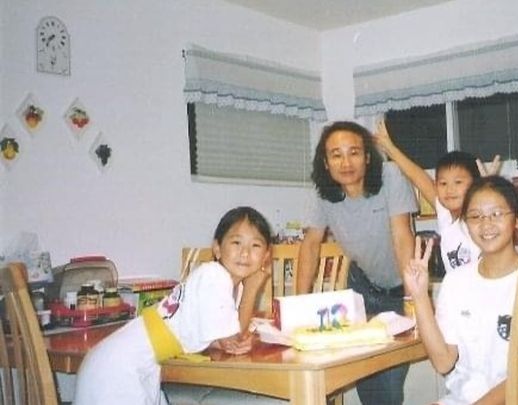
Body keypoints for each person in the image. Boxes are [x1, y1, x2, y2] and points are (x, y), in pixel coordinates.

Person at [74, 206, 273, 405]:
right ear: (217, 248)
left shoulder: (224, 283)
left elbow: (209, 335)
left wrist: (224, 340)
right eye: (236, 242)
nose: (245, 253)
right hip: (117, 370)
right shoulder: (215, 276)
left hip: (128, 364)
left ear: (266, 255)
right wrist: (252, 289)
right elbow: (234, 340)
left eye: (255, 245)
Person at [297, 120, 417, 405]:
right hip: (360, 289)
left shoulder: (390, 176)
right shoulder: (322, 192)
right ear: (325, 162)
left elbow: (402, 236)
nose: (346, 162)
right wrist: (299, 306)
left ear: (367, 157)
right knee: (366, 381)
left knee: (388, 390)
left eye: (354, 152)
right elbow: (311, 244)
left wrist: (413, 298)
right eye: (336, 154)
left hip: (399, 292)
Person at [403, 176, 518, 405]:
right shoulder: (456, 282)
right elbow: (443, 363)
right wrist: (420, 297)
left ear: (517, 220)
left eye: (496, 214)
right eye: (475, 216)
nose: (486, 224)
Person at [373, 119, 502, 272]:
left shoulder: (479, 219)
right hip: (457, 286)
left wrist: (487, 191)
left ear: (475, 184)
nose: (450, 189)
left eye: (458, 182)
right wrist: (390, 148)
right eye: (443, 183)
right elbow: (418, 177)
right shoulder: (445, 216)